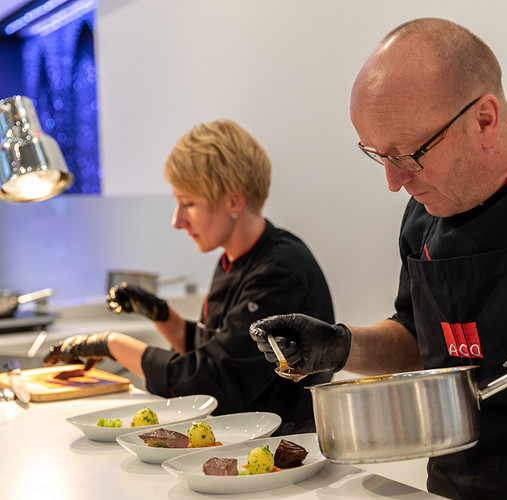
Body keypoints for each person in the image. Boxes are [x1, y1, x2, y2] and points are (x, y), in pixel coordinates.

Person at [249, 17, 507, 499]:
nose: (392, 181)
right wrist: (343, 347)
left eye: (406, 154)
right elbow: (420, 339)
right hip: (453, 489)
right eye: (376, 154)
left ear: (485, 119)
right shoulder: (422, 213)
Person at [44, 119, 334, 434]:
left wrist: (110, 343)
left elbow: (209, 381)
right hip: (243, 441)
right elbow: (218, 346)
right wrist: (161, 314)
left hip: (285, 451)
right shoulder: (232, 259)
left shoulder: (281, 270)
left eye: (188, 203)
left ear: (234, 200)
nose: (177, 220)